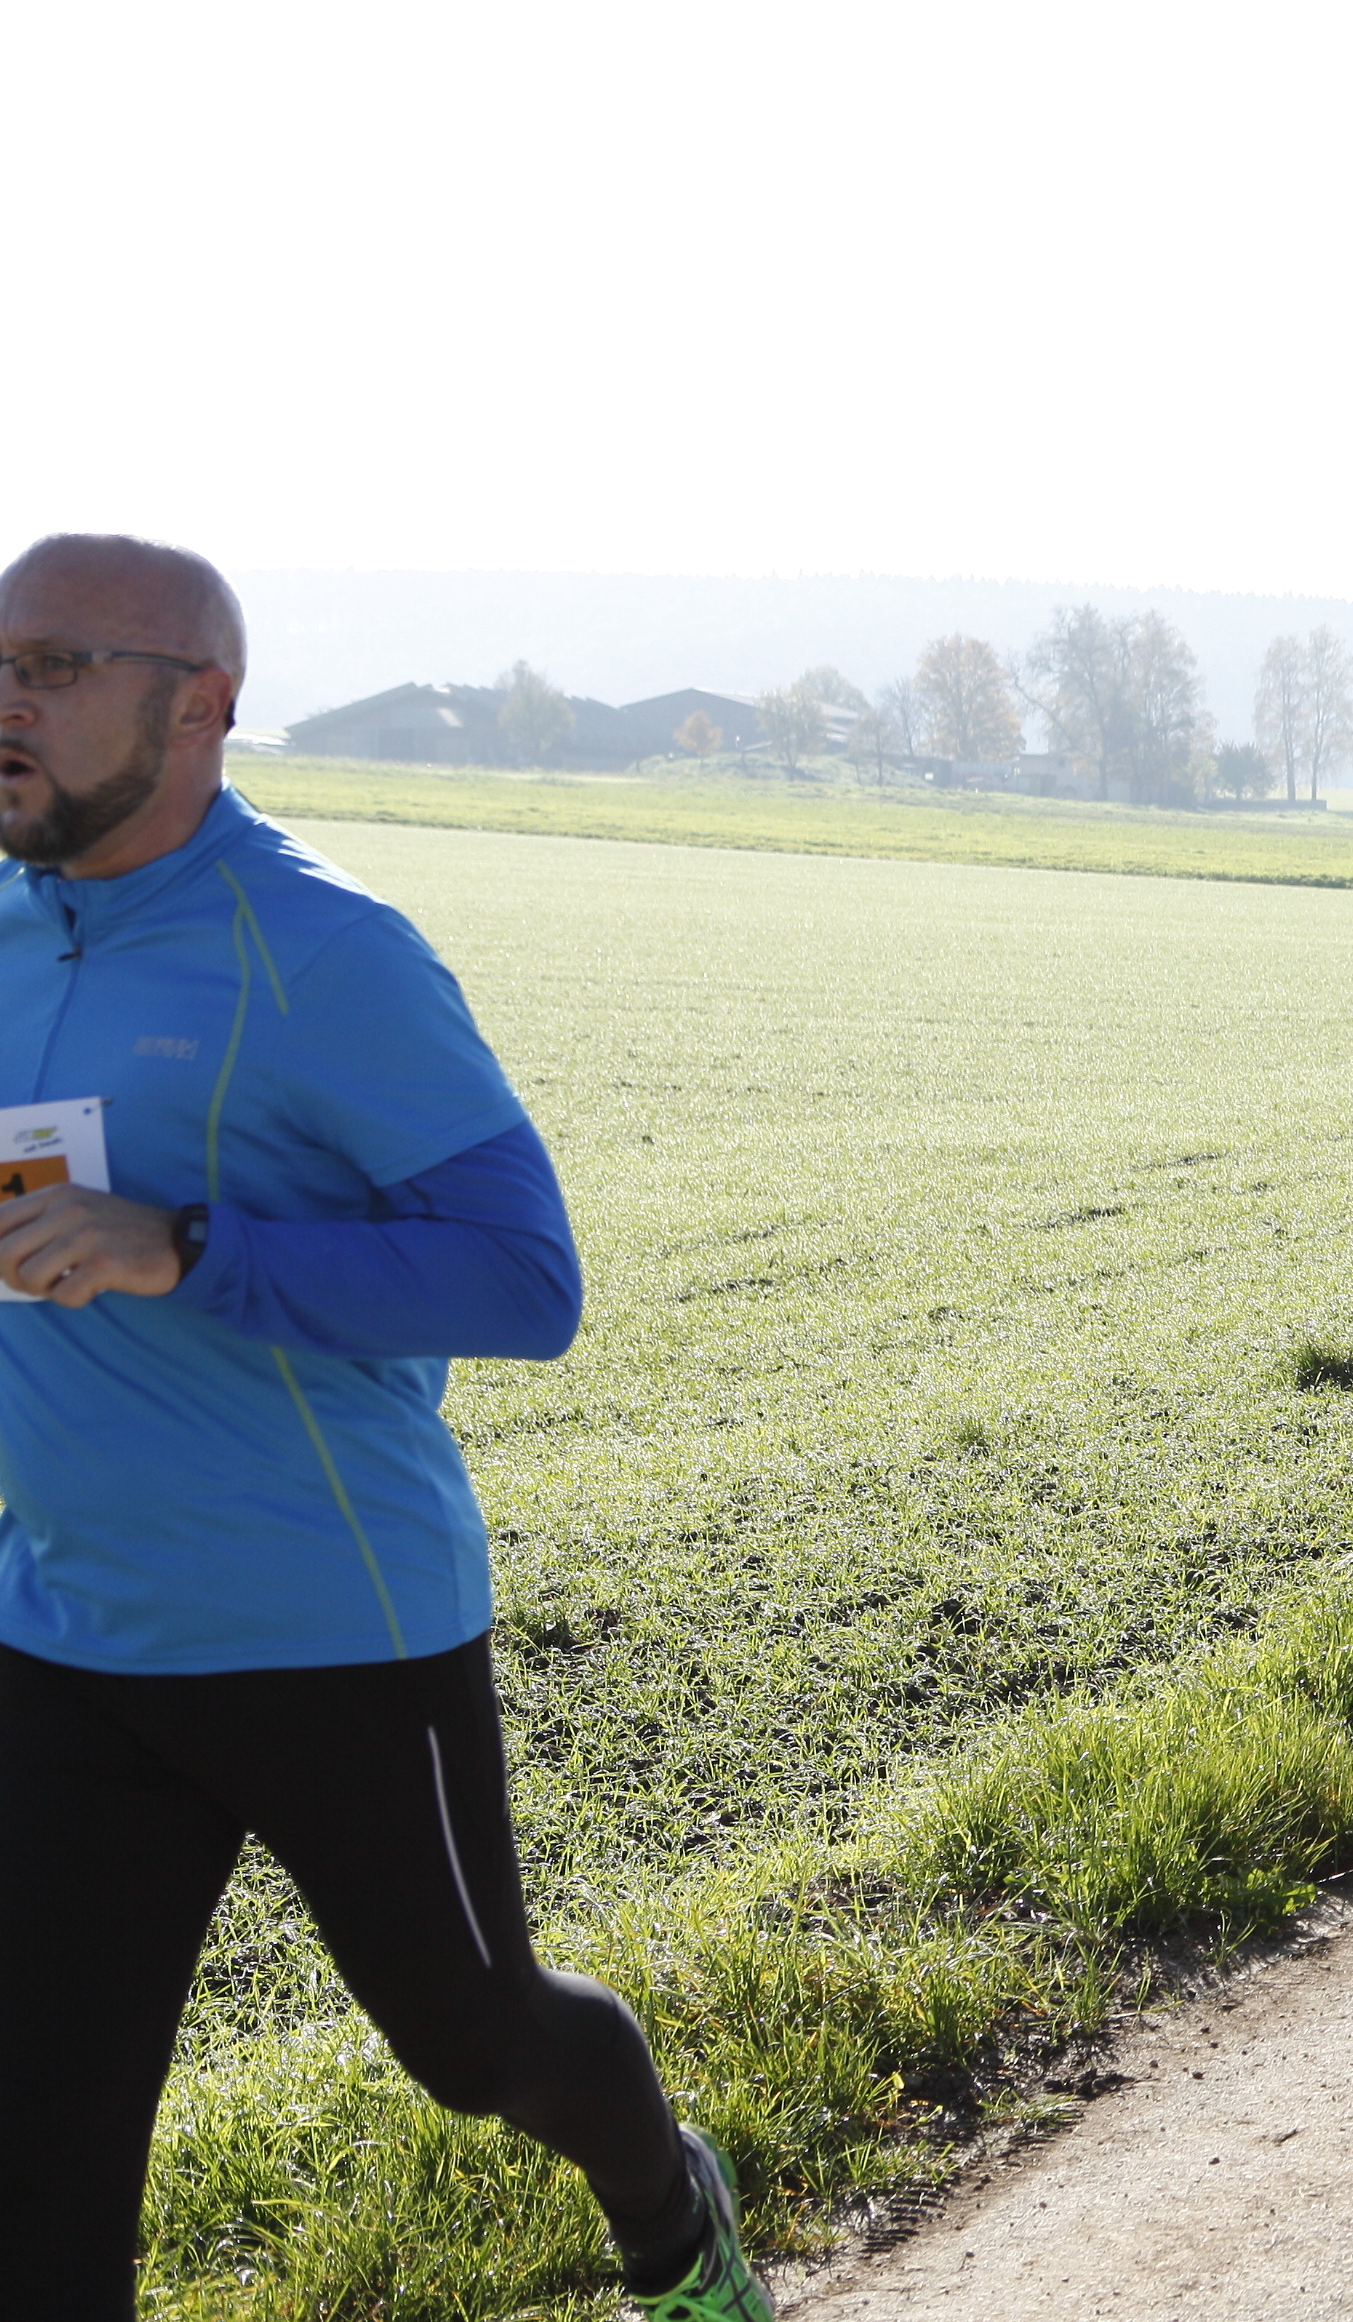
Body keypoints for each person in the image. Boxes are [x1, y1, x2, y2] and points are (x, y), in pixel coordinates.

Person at [0, 538, 769, 2322]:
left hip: (325, 1627)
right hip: (64, 1622)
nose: (6, 702)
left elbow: (525, 1280)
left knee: (479, 2040)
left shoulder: (325, 953)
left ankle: (673, 2218)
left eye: (53, 665)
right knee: (40, 2135)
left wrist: (185, 1246)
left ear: (201, 706)